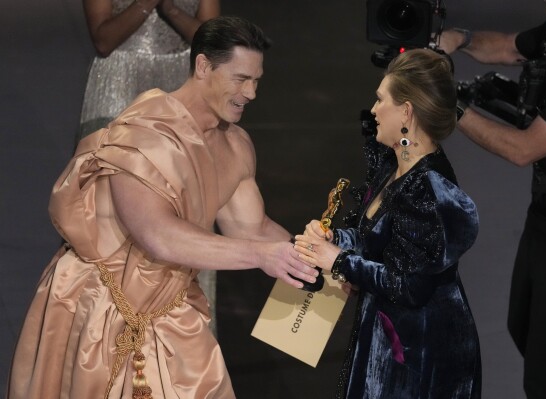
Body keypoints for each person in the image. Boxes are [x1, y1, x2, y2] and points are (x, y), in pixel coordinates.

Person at [6, 16, 319, 399]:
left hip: (171, 309)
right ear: (203, 66)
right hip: (100, 308)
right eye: (241, 79)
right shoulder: (143, 133)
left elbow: (251, 228)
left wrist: (321, 263)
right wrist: (262, 255)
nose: (251, 92)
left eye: (257, 80)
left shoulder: (236, 145)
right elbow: (158, 235)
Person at [294, 48, 482, 399]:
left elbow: (409, 286)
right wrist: (335, 238)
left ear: (407, 111)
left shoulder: (430, 191)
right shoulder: (399, 158)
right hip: (388, 332)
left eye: (381, 100)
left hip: (416, 352)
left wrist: (336, 259)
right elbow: (379, 236)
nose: (374, 110)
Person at [437, 1, 546, 398]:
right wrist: (459, 38)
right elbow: (510, 47)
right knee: (524, 328)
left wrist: (444, 105)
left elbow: (522, 149)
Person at [80, 0, 221, 334]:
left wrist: (170, 9)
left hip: (179, 84)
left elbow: (213, 40)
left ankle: (177, 333)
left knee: (185, 206)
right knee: (109, 212)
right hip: (118, 88)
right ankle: (107, 334)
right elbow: (103, 39)